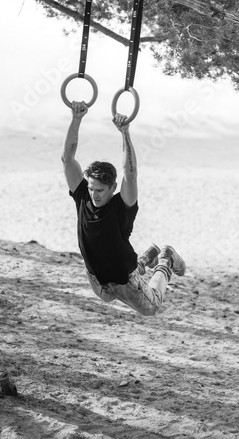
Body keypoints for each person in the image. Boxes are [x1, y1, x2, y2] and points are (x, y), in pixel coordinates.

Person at [61, 100, 186, 316]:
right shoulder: (83, 195)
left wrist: (125, 133)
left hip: (124, 281)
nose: (94, 194)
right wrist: (76, 118)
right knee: (107, 297)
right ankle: (147, 257)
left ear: (113, 188)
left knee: (152, 307)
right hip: (98, 280)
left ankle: (165, 258)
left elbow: (131, 173)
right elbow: (67, 159)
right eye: (91, 188)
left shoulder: (122, 206)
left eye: (100, 190)